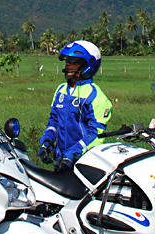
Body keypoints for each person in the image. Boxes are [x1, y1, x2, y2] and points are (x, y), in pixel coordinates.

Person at [39, 40, 112, 172]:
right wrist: (47, 142)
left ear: (87, 65)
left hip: (84, 163)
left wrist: (73, 153)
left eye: (73, 62)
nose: (68, 66)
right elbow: (54, 122)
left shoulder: (95, 96)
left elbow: (95, 134)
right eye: (67, 62)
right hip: (61, 161)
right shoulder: (60, 90)